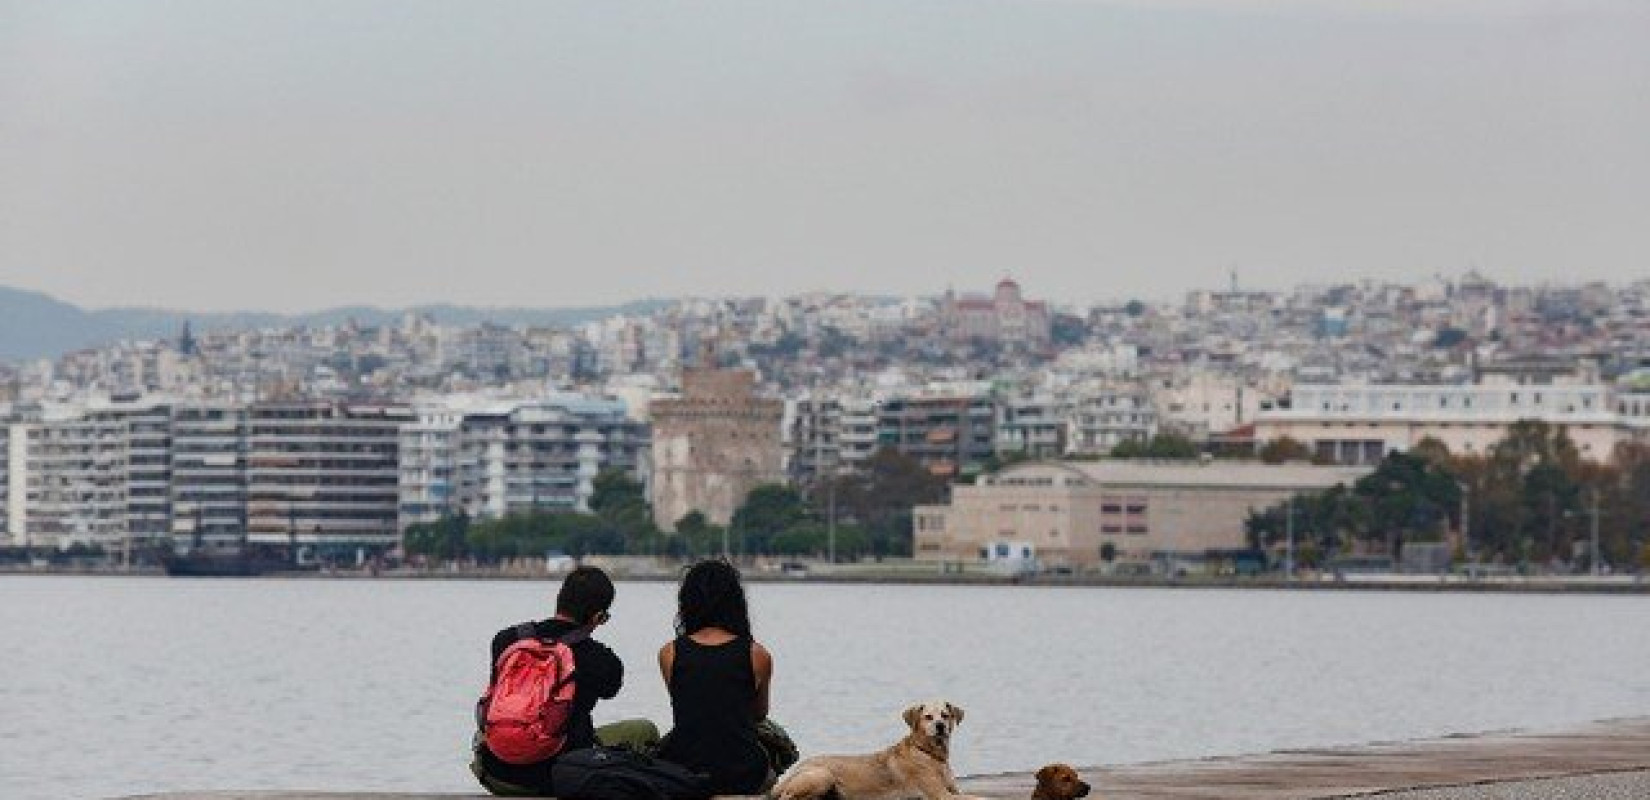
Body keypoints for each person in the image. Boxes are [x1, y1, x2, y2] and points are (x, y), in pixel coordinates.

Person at [472, 565, 658, 796]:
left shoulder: (506, 640)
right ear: (599, 617)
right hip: (562, 778)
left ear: (559, 600)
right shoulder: (602, 661)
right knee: (644, 731)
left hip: (494, 773)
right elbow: (610, 689)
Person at [656, 559, 798, 795]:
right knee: (776, 737)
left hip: (684, 770)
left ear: (687, 603)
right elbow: (760, 713)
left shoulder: (669, 653)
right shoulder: (758, 655)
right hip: (743, 775)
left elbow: (691, 705)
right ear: (736, 603)